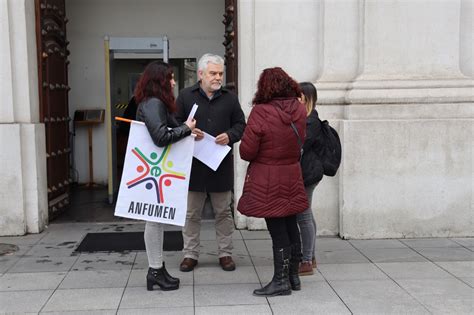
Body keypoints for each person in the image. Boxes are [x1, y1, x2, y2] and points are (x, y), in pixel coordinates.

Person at [237, 67, 308, 297]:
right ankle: (293, 277)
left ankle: (280, 282)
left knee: (278, 230)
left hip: (268, 178)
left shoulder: (261, 111)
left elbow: (247, 151)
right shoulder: (299, 108)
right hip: (292, 174)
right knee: (291, 225)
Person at [175, 53, 246, 272]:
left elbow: (241, 125)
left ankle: (225, 253)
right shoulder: (186, 96)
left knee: (223, 213)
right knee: (191, 214)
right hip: (193, 166)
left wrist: (230, 135)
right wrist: (188, 131)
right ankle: (190, 254)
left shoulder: (230, 98)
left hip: (220, 165)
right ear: (200, 74)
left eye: (220, 74)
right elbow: (174, 124)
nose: (218, 78)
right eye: (213, 73)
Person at [134, 61, 196, 291]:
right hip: (153, 171)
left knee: (157, 220)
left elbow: (170, 128)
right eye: (169, 78)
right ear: (159, 80)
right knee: (154, 220)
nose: (173, 82)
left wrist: (187, 130)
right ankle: (154, 270)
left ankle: (157, 270)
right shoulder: (153, 103)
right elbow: (160, 136)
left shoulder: (154, 102)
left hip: (155, 171)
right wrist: (186, 128)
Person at [297, 82, 324, 276]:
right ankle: (311, 256)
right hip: (306, 173)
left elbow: (299, 145)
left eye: (298, 97)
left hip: (308, 175)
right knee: (307, 214)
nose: (295, 100)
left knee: (303, 215)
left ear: (306, 98)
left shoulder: (310, 122)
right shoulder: (305, 119)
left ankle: (306, 260)